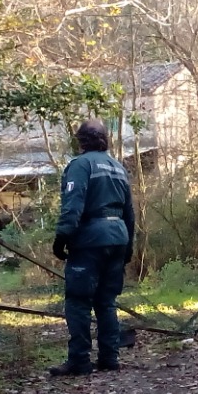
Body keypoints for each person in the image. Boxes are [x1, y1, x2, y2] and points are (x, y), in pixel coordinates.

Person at [50, 118, 136, 376]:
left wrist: (61, 237)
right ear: (104, 140)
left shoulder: (80, 165)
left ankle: (79, 360)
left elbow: (73, 204)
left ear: (81, 141)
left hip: (90, 239)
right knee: (107, 301)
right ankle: (109, 357)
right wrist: (128, 246)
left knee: (78, 300)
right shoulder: (118, 168)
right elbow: (129, 213)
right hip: (118, 237)